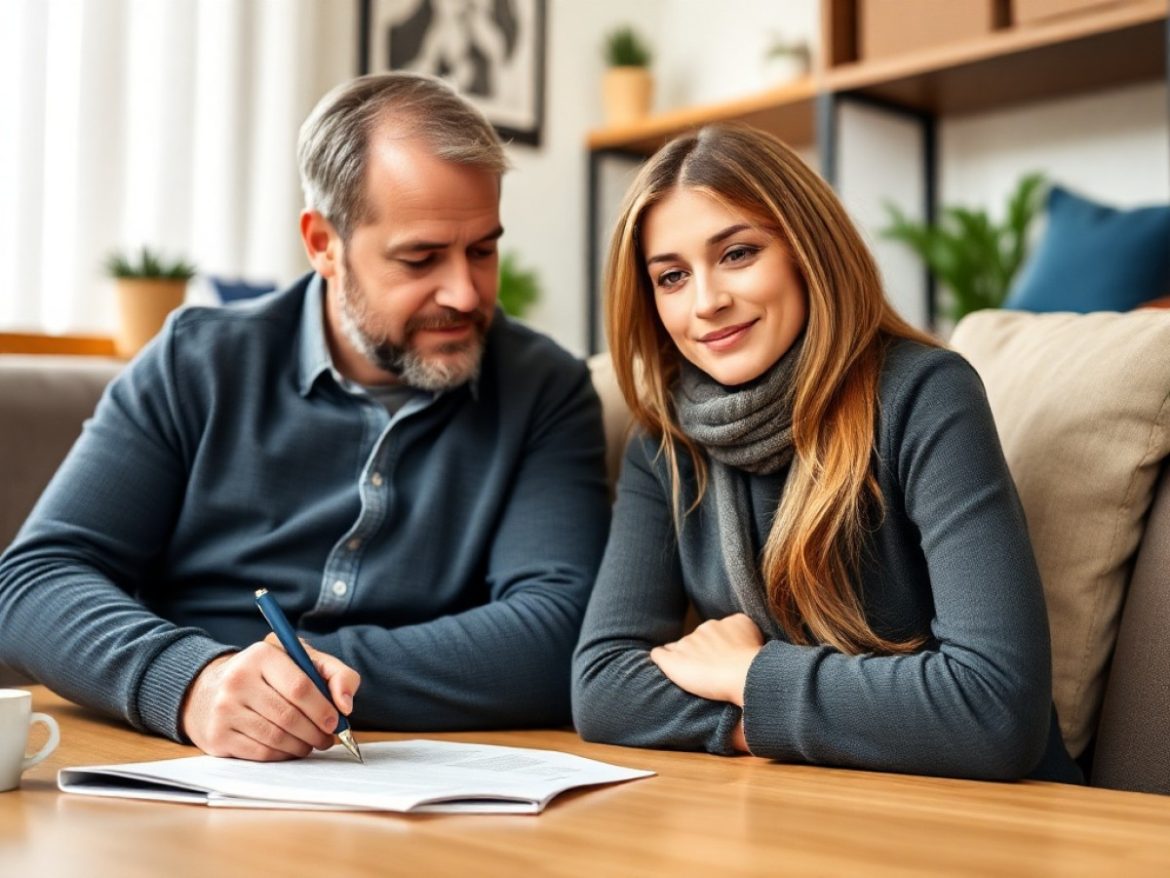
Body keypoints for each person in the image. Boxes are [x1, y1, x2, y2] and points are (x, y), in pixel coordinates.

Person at [0, 72, 610, 761]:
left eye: (483, 250)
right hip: (189, 766)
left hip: (410, 779)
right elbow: (35, 581)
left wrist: (290, 682)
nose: (466, 293)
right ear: (323, 242)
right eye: (421, 258)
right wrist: (196, 681)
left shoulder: (545, 389)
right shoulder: (195, 362)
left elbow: (559, 632)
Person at [572, 123, 1080, 783]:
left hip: (984, 820)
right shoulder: (665, 446)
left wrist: (749, 673)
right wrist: (755, 720)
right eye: (671, 276)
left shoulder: (926, 395)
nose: (707, 302)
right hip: (805, 810)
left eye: (737, 254)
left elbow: (993, 710)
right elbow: (604, 687)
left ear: (807, 249)